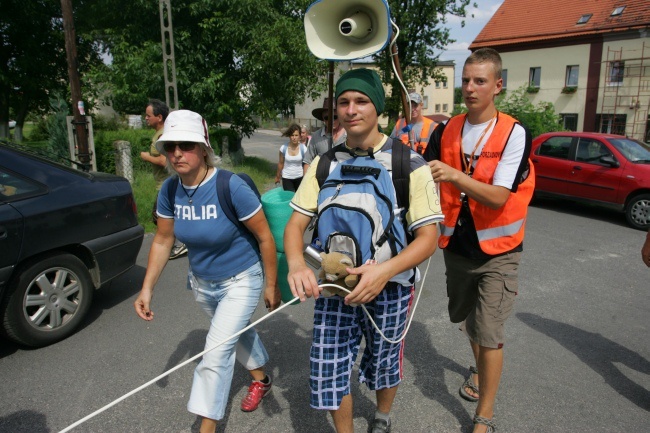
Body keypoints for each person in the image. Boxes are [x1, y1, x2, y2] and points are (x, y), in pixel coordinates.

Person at [284, 69, 442, 433]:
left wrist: (383, 272)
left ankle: (382, 416)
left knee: (384, 362)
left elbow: (428, 239)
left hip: (390, 287)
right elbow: (294, 226)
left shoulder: (408, 164)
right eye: (343, 102)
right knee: (329, 366)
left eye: (361, 101)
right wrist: (296, 265)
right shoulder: (325, 164)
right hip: (334, 287)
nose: (351, 109)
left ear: (378, 109)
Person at [133, 110, 280, 433]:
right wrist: (147, 289)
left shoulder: (230, 186)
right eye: (170, 147)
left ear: (203, 148)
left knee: (215, 352)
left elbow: (265, 237)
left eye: (186, 145)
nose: (176, 154)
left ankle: (206, 428)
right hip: (202, 283)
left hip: (241, 279)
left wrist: (271, 285)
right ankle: (262, 380)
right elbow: (162, 241)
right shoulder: (171, 191)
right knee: (234, 333)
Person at [423, 48, 535, 433]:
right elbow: (423, 182)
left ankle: (483, 418)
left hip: (500, 251)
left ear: (497, 86)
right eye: (466, 80)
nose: (469, 88)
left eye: (480, 81)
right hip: (456, 247)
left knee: (488, 332)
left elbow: (499, 196)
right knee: (469, 321)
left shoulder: (514, 133)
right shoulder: (445, 129)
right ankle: (478, 369)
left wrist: (453, 175)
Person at [140, 99, 187, 260]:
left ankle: (178, 243)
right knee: (168, 214)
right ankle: (177, 242)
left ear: (159, 117)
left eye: (148, 115)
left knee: (159, 215)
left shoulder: (164, 135)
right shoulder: (160, 134)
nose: (145, 118)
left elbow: (163, 161)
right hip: (164, 182)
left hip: (167, 182)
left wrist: (146, 157)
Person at [302, 98, 347, 174]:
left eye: (334, 117)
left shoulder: (350, 134)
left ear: (340, 116)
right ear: (323, 119)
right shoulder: (316, 136)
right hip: (322, 182)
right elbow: (307, 162)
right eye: (327, 118)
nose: (331, 121)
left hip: (345, 180)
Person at [275, 123, 308, 192]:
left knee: (298, 200)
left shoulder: (303, 148)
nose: (294, 137)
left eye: (296, 135)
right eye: (292, 135)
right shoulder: (283, 148)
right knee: (289, 198)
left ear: (299, 136)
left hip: (300, 177)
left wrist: (306, 178)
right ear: (289, 136)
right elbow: (281, 163)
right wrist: (277, 177)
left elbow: (307, 164)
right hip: (287, 178)